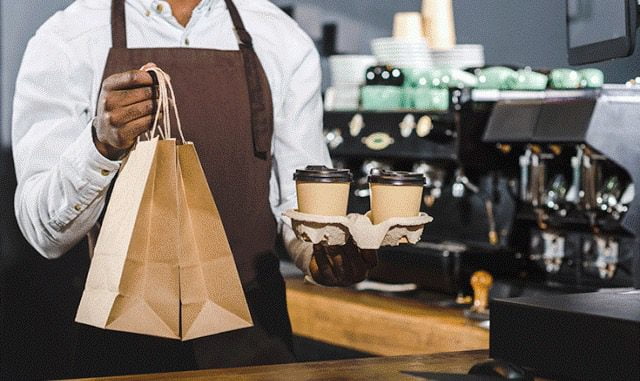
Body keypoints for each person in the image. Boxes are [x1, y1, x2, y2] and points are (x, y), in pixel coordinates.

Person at [8, 0, 376, 378]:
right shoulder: (68, 39)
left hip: (253, 342)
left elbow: (297, 204)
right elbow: (43, 234)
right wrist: (101, 146)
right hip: (122, 340)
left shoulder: (279, 37)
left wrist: (322, 255)